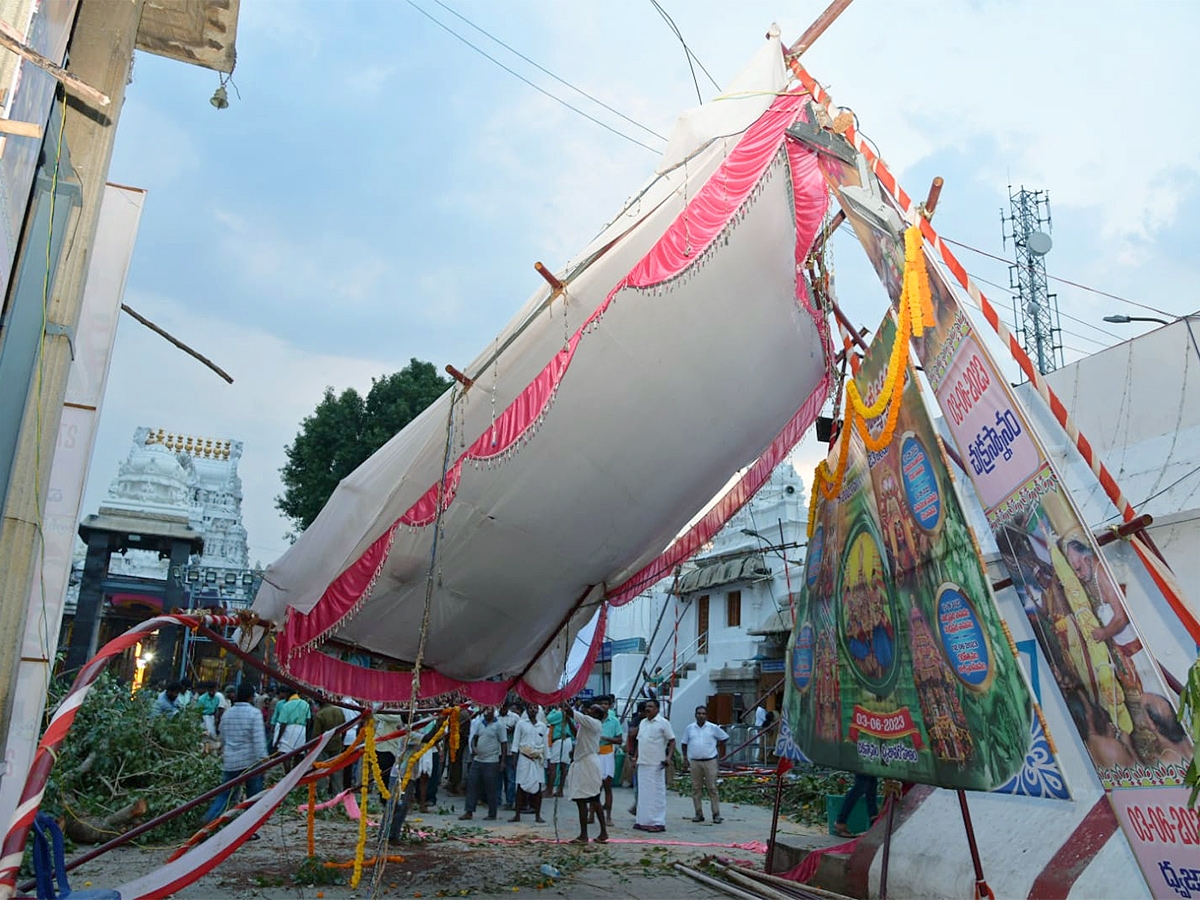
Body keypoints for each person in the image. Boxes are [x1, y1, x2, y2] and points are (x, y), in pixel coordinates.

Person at [204, 683, 268, 825]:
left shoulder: (228, 713)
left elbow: (223, 737)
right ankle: (248, 828)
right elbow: (258, 741)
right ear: (251, 698)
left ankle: (210, 820)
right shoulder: (254, 714)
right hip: (250, 762)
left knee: (225, 795)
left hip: (231, 761)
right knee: (253, 798)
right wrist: (263, 761)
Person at [564, 703, 609, 843]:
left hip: (588, 764)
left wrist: (565, 704)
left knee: (589, 799)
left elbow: (575, 714)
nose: (588, 710)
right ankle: (600, 833)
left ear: (597, 715)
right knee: (588, 799)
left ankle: (587, 835)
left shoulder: (594, 723)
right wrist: (569, 719)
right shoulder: (588, 725)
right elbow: (577, 735)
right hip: (584, 763)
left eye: (592, 710)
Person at [632, 699, 675, 832]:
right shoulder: (643, 723)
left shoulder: (663, 723)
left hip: (657, 763)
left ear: (657, 709)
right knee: (643, 794)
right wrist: (635, 757)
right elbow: (640, 741)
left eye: (650, 706)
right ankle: (642, 820)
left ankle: (658, 822)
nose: (647, 709)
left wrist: (668, 757)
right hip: (643, 762)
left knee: (657, 794)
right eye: (646, 706)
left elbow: (672, 740)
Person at [682, 705, 727, 823]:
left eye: (703, 714)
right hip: (695, 762)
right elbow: (684, 743)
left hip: (710, 761)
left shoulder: (713, 728)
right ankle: (698, 814)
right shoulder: (690, 728)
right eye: (699, 713)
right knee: (696, 788)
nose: (701, 716)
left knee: (712, 788)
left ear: (706, 715)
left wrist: (717, 749)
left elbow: (724, 738)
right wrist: (685, 759)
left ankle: (716, 814)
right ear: (695, 715)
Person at [460, 707, 506, 820]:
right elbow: (474, 738)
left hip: (491, 760)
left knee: (490, 787)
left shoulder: (499, 726)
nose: (486, 715)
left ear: (492, 714)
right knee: (472, 785)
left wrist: (503, 761)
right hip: (478, 759)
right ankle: (469, 811)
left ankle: (492, 813)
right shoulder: (480, 723)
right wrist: (474, 748)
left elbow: (504, 743)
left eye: (488, 713)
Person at [510, 703, 548, 824]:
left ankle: (538, 815)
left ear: (538, 710)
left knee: (538, 788)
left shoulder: (542, 726)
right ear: (527, 710)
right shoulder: (521, 724)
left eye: (535, 708)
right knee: (521, 786)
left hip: (537, 760)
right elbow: (515, 743)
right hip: (524, 758)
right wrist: (514, 761)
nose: (533, 710)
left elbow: (545, 745)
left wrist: (548, 760)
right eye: (531, 708)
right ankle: (517, 815)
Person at [597, 695, 623, 826]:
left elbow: (619, 739)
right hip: (594, 754)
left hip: (607, 753)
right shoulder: (593, 720)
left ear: (610, 706)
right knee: (595, 787)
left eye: (606, 704)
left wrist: (606, 738)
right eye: (601, 703)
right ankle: (592, 814)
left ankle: (608, 816)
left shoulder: (614, 721)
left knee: (607, 786)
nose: (603, 706)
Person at [313, 700, 346, 798]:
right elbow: (344, 728)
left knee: (321, 770)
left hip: (323, 746)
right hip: (337, 743)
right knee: (337, 771)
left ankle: (322, 794)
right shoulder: (339, 711)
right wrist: (341, 741)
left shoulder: (320, 714)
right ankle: (338, 794)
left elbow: (316, 735)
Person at [271, 690, 313, 766]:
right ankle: (296, 773)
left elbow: (283, 724)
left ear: (288, 695)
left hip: (288, 730)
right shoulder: (306, 704)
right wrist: (305, 733)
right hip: (301, 730)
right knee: (299, 753)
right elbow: (309, 720)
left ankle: (287, 773)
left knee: (286, 754)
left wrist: (277, 740)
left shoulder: (286, 705)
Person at [545, 704, 573, 797]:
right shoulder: (570, 712)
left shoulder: (560, 713)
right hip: (567, 740)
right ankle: (559, 790)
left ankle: (550, 791)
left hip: (559, 740)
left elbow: (549, 719)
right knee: (563, 767)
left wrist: (553, 711)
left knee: (553, 766)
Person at [499, 699, 520, 810]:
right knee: (499, 777)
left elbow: (519, 732)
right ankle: (497, 800)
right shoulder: (496, 717)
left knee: (511, 778)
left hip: (511, 751)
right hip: (498, 751)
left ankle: (510, 800)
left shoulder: (515, 718)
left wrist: (513, 730)